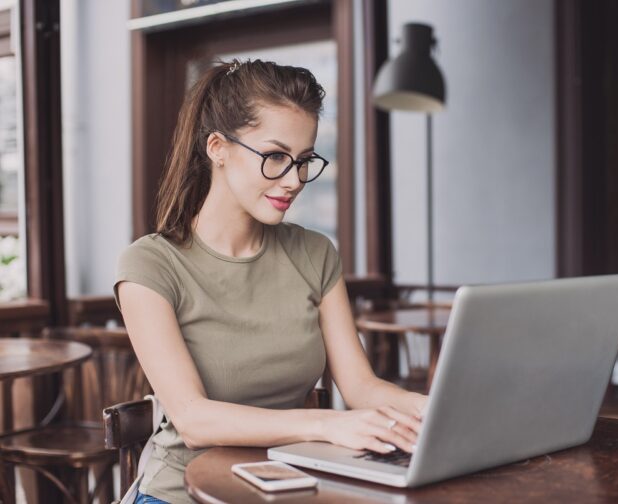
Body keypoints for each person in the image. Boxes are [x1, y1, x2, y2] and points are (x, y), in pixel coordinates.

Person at [116, 58, 428, 504]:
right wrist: (327, 425)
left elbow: (361, 387)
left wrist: (431, 409)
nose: (294, 180)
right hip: (182, 493)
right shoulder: (151, 264)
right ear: (218, 148)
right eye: (276, 157)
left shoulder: (315, 253)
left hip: (288, 487)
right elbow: (194, 420)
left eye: (304, 161)